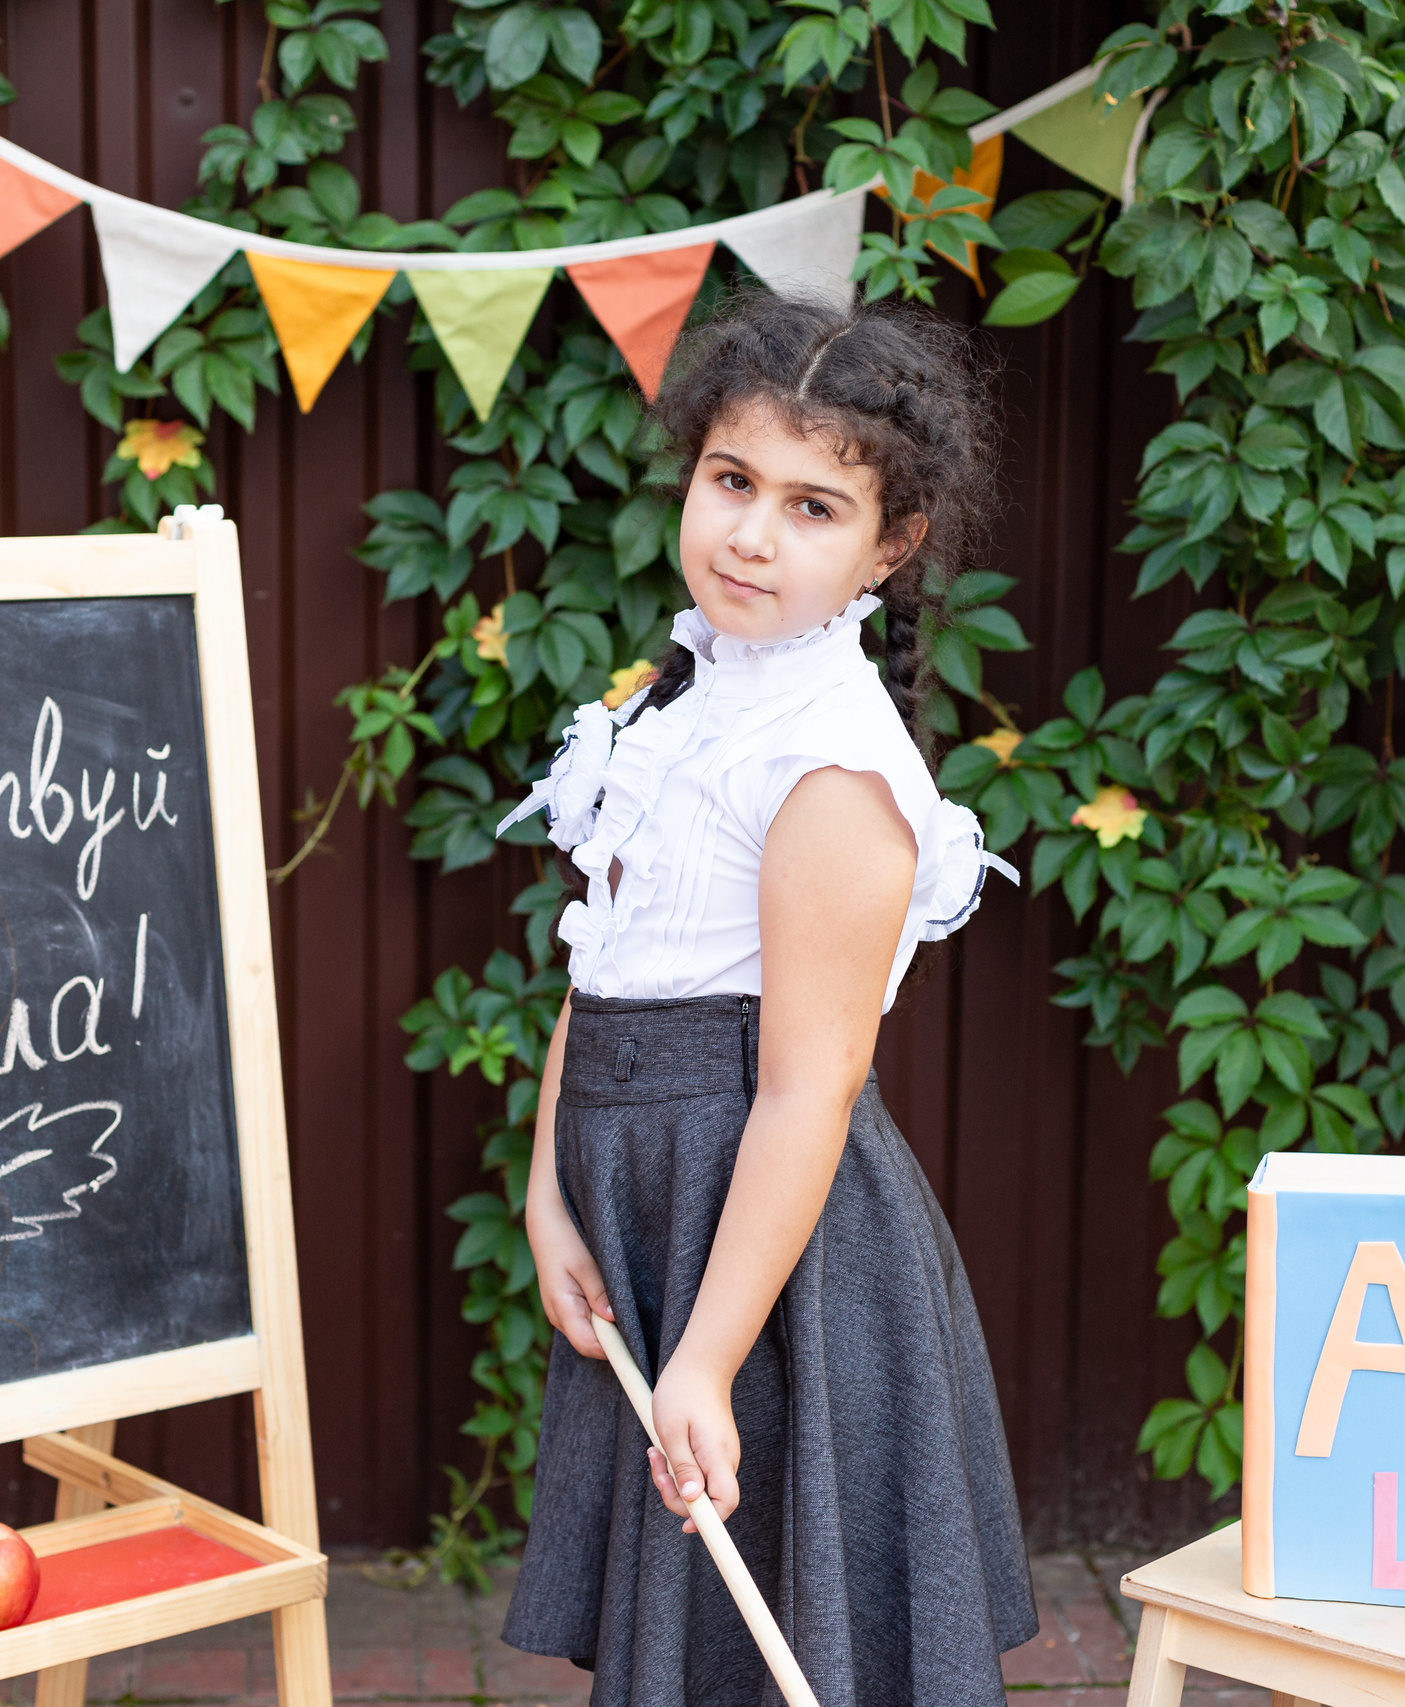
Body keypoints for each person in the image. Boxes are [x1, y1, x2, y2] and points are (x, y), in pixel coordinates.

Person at [494, 289, 1034, 1707]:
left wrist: (711, 1356)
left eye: (812, 508)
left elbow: (807, 1086)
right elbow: (599, 961)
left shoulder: (829, 770)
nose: (751, 533)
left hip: (769, 1259)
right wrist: (549, 1193)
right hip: (644, 1214)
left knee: (777, 1639)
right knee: (690, 1640)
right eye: (733, 482)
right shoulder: (684, 701)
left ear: (889, 548)